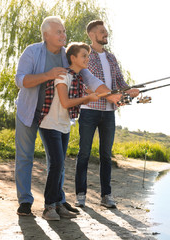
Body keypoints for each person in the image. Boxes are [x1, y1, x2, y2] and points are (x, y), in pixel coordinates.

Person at [15, 16, 122, 216]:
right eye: (59, 32)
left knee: (57, 161)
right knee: (25, 157)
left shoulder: (67, 56)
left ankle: (58, 200)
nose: (64, 35)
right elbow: (20, 80)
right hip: (29, 111)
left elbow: (88, 77)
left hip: (55, 117)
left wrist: (111, 95)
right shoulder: (32, 52)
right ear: (46, 35)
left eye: (64, 31)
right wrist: (48, 74)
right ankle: (25, 201)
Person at [74, 20, 139, 208]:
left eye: (106, 32)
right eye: (102, 32)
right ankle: (80, 195)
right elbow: (82, 82)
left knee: (106, 155)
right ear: (92, 35)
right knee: (84, 153)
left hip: (109, 113)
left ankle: (106, 195)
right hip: (89, 111)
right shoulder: (84, 55)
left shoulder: (111, 58)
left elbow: (120, 82)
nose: (106, 34)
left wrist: (131, 91)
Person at [39, 42, 99, 220]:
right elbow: (66, 102)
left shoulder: (79, 79)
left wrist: (88, 98)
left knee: (60, 166)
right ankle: (48, 207)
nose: (87, 59)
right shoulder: (63, 76)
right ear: (73, 58)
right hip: (50, 124)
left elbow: (81, 98)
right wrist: (86, 98)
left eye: (88, 56)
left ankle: (58, 204)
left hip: (64, 126)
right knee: (56, 165)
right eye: (84, 56)